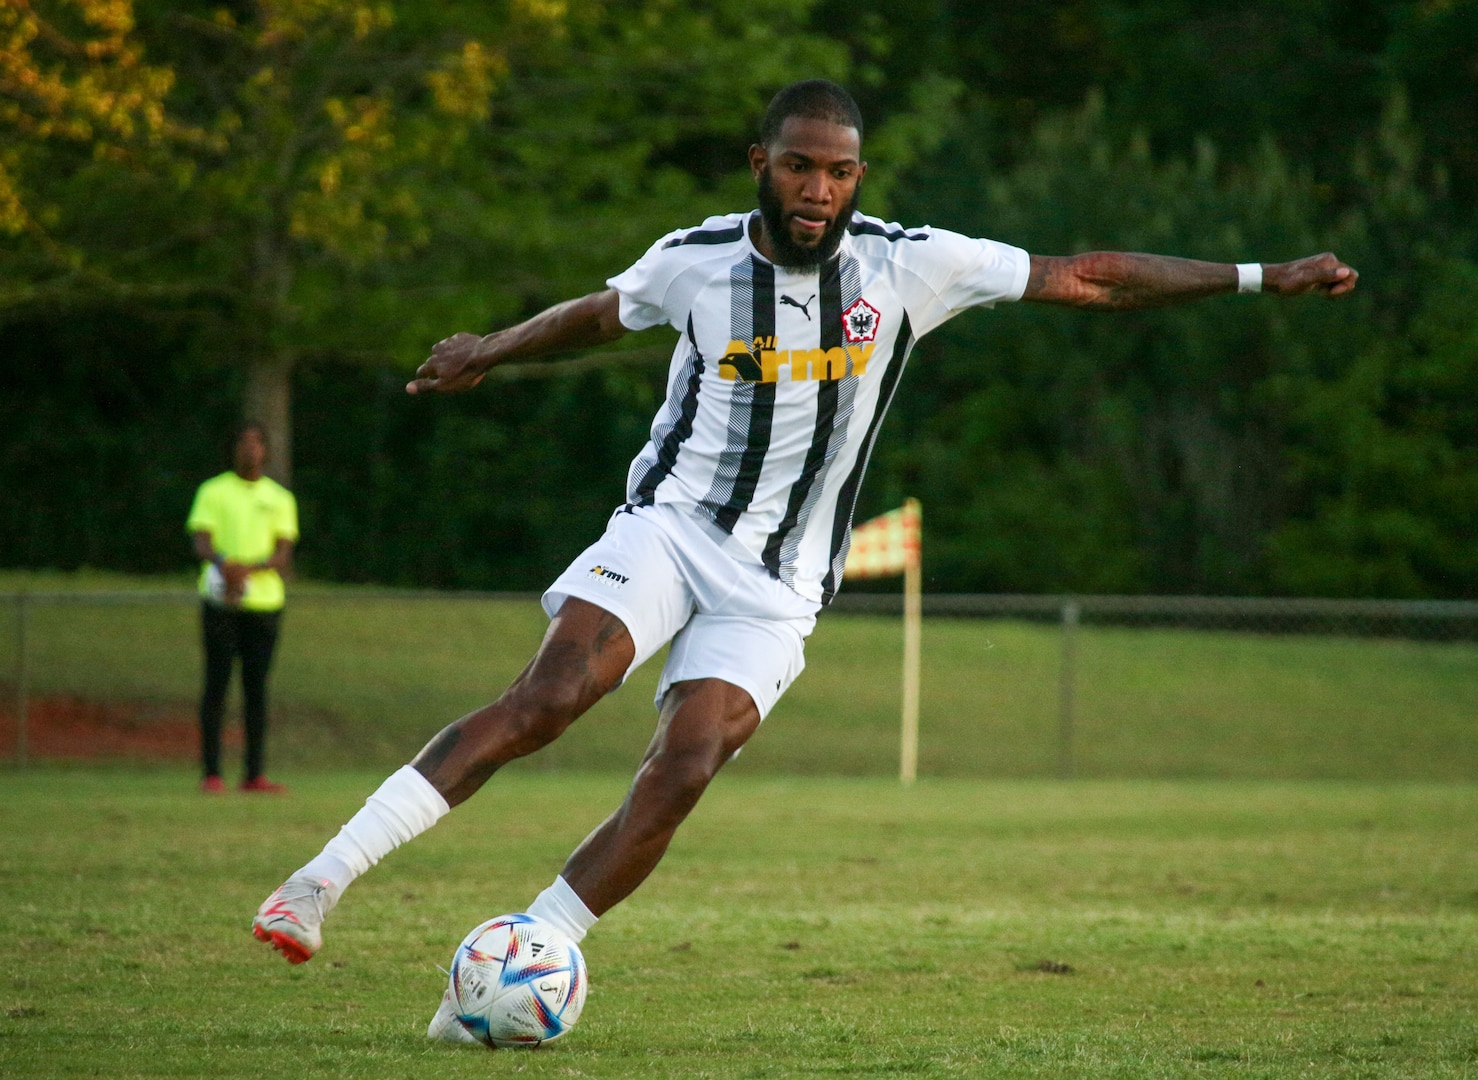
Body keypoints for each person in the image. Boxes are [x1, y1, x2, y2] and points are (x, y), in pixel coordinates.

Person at [251, 80, 1356, 1035]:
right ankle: (318, 881)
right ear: (760, 167)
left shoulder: (911, 269)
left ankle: (522, 960)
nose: (819, 189)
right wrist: (486, 351)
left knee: (683, 767)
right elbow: (598, 317)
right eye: (798, 167)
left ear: (859, 175)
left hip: (782, 584)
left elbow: (1093, 275)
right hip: (673, 526)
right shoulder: (692, 263)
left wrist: (1266, 277)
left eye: (839, 171)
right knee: (550, 698)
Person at [187, 421, 298, 794]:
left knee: (256, 690)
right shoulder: (213, 491)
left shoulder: (279, 498)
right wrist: (224, 565)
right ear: (234, 449)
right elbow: (201, 541)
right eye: (243, 443)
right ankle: (212, 773)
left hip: (263, 603)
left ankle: (254, 774)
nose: (250, 450)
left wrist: (247, 569)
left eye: (256, 443)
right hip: (220, 602)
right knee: (216, 686)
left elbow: (283, 551)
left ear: (266, 450)